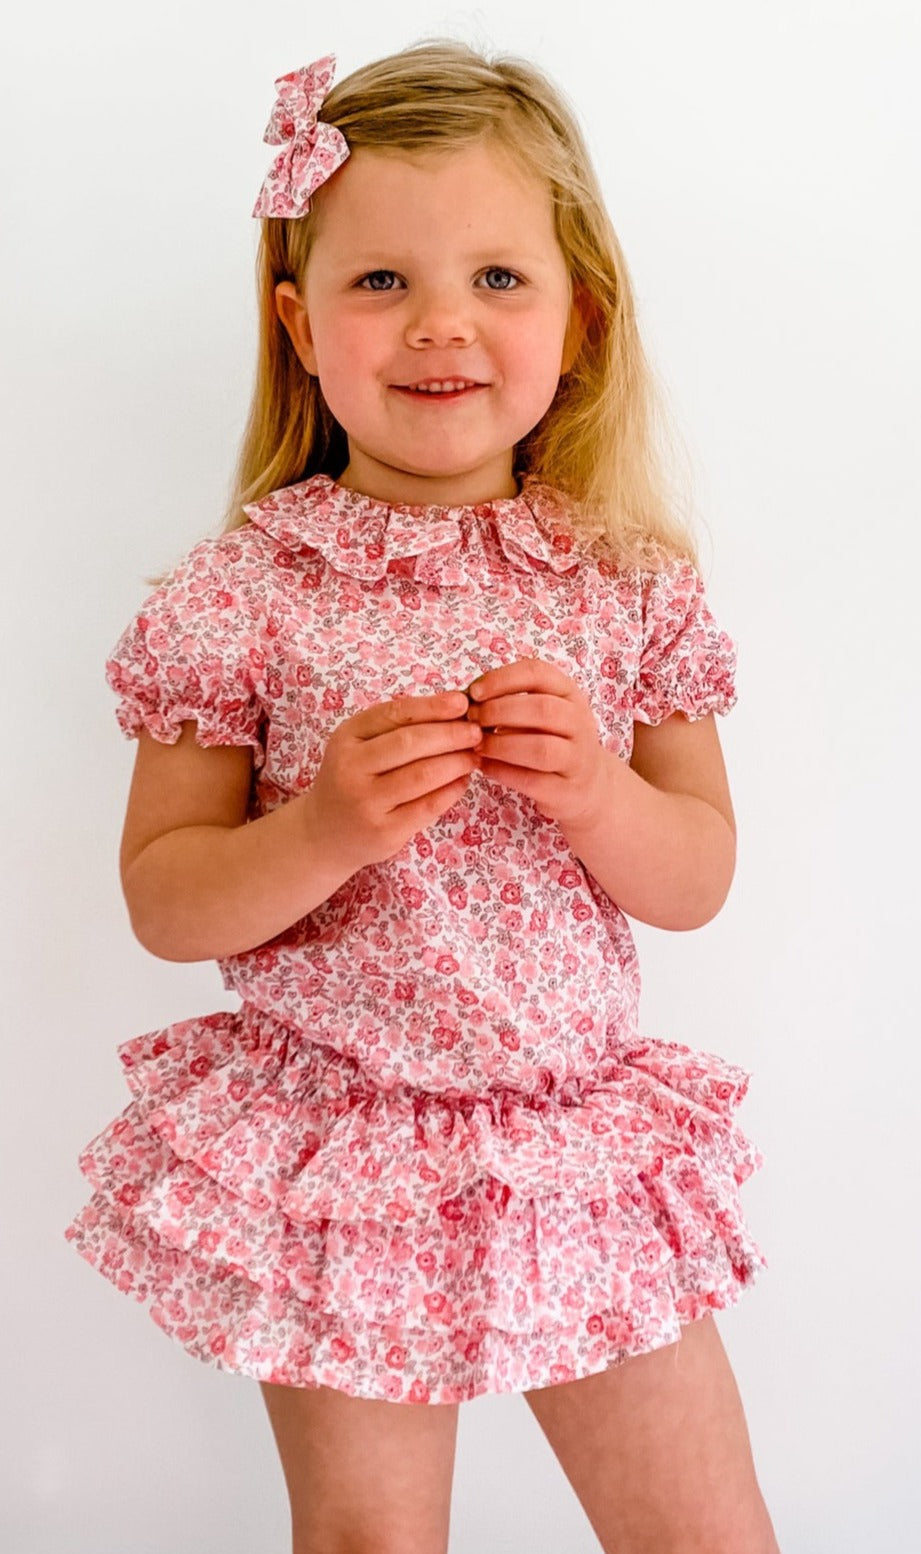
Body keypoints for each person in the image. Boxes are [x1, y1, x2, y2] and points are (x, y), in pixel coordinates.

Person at [64, 41, 782, 1554]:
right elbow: (162, 892)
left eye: (499, 280)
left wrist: (593, 791)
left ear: (578, 318)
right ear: (298, 325)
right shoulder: (241, 595)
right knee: (371, 1540)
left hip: (571, 1141)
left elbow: (696, 870)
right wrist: (318, 829)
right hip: (344, 1153)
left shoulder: (627, 582)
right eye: (380, 279)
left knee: (702, 1532)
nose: (441, 322)